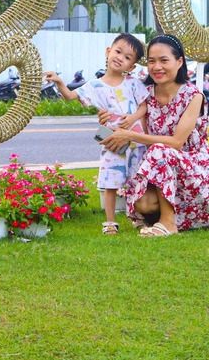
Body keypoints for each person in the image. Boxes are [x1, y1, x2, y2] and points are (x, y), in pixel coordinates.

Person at [99, 34, 209, 237]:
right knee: (143, 204)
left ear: (179, 62)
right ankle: (180, 216)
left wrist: (130, 136)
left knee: (161, 149)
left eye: (163, 60)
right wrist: (107, 118)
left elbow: (177, 143)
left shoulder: (193, 95)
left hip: (192, 166)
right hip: (159, 169)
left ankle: (169, 223)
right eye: (152, 61)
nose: (157, 67)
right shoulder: (144, 93)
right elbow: (128, 119)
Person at [45, 33, 148, 236]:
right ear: (108, 52)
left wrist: (133, 116)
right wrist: (59, 82)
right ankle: (110, 221)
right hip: (112, 141)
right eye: (118, 51)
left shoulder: (134, 83)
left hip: (136, 141)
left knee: (137, 181)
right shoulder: (94, 85)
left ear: (132, 66)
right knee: (110, 180)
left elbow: (144, 107)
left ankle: (138, 218)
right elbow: (70, 96)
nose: (120, 58)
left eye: (128, 57)